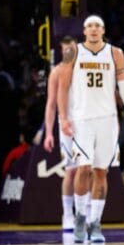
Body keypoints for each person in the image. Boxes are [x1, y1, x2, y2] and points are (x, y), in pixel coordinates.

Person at [58, 15, 124, 242]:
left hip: (108, 120)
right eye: (90, 26)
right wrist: (63, 117)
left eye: (98, 26)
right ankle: (80, 217)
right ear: (84, 30)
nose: (94, 29)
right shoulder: (73, 52)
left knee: (101, 172)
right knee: (83, 168)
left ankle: (95, 223)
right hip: (82, 120)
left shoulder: (115, 53)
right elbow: (63, 88)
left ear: (103, 30)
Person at [43, 36, 81, 231]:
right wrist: (49, 133)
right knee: (71, 170)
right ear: (61, 50)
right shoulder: (57, 72)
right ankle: (67, 214)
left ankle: (85, 215)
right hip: (66, 125)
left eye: (71, 48)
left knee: (87, 170)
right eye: (66, 49)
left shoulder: (84, 68)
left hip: (86, 123)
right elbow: (51, 104)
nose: (69, 52)